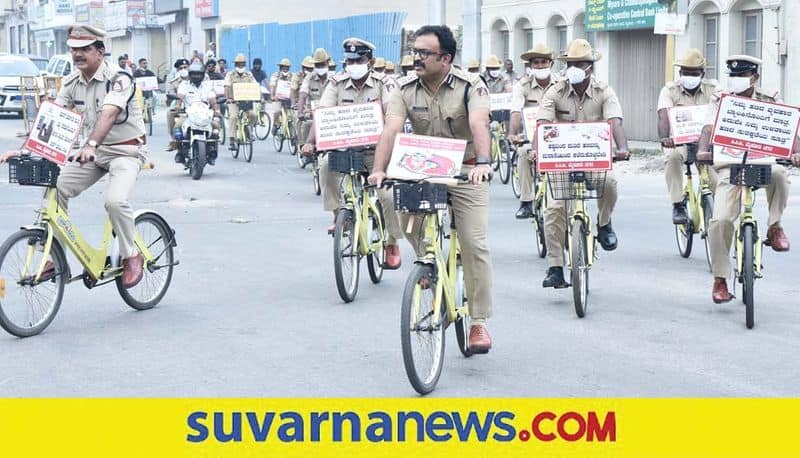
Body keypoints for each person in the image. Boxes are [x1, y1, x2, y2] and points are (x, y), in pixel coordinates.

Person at [368, 25, 495, 352]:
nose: (416, 58)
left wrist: (482, 162)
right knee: (390, 196)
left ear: (445, 58)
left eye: (424, 53)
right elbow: (392, 128)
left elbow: (480, 123)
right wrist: (379, 170)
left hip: (467, 170)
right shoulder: (405, 88)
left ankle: (478, 322)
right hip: (423, 167)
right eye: (415, 52)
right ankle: (427, 259)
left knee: (474, 243)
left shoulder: (471, 85)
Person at [1, 24, 147, 287]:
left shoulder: (119, 78)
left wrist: (90, 143)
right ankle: (55, 258)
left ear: (100, 52)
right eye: (73, 50)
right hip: (92, 154)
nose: (77, 55)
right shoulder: (70, 82)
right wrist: (25, 150)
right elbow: (53, 121)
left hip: (126, 150)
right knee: (56, 190)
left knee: (114, 201)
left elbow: (109, 113)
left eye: (85, 49)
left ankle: (131, 255)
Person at [697, 55, 800, 303]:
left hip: (763, 163)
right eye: (732, 76)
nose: (736, 81)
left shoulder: (769, 98)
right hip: (729, 167)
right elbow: (708, 128)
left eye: (741, 76)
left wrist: (796, 151)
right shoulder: (720, 99)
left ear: (754, 77)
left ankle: (775, 227)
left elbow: (789, 129)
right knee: (720, 220)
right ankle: (720, 279)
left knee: (780, 175)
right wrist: (703, 149)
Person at [302, 37, 405, 271]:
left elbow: (392, 114)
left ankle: (391, 242)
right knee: (325, 165)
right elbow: (324, 113)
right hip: (344, 149)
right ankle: (339, 215)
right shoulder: (336, 83)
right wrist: (310, 141)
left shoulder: (384, 83)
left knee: (387, 196)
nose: (354, 64)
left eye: (359, 59)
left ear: (369, 61)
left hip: (375, 152)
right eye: (350, 60)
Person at [537, 39, 630, 288]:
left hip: (593, 158)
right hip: (562, 160)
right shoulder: (554, 92)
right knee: (553, 209)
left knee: (609, 182)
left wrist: (622, 148)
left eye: (580, 64)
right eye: (571, 64)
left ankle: (604, 223)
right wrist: (538, 151)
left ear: (591, 67)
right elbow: (542, 124)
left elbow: (615, 122)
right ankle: (555, 266)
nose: (575, 68)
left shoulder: (604, 91)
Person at [658, 49, 720, 224]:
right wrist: (665, 138)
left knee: (717, 179)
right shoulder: (670, 90)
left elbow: (724, 110)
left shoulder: (714, 89)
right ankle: (678, 204)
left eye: (694, 73)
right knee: (672, 157)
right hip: (681, 143)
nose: (689, 76)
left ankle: (720, 208)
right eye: (686, 72)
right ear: (680, 73)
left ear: (702, 74)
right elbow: (663, 114)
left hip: (707, 144)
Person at [508, 44, 560, 219]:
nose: (540, 66)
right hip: (531, 137)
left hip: (559, 136)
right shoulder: (522, 85)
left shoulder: (561, 84)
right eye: (536, 63)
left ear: (551, 63)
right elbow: (516, 110)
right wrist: (513, 133)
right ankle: (526, 202)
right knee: (523, 153)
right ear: (530, 66)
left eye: (544, 62)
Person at [175, 62, 221, 165]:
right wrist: (178, 105)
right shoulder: (184, 85)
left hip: (205, 116)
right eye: (194, 74)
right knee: (177, 127)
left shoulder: (207, 86)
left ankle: (213, 152)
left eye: (199, 74)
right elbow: (180, 97)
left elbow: (212, 99)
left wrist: (217, 110)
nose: (196, 76)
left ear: (203, 75)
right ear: (190, 75)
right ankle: (179, 152)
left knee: (216, 127)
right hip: (188, 115)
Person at [297, 48, 329, 155]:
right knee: (306, 124)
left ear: (327, 63)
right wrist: (300, 112)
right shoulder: (309, 78)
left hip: (329, 113)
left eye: (322, 65)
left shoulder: (334, 79)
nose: (320, 68)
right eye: (318, 65)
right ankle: (304, 147)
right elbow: (303, 94)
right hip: (311, 112)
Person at [224, 53, 258, 149]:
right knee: (233, 117)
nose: (240, 66)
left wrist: (259, 97)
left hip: (246, 101)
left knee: (253, 115)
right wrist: (228, 98)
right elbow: (226, 87)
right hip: (233, 101)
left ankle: (249, 131)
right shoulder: (230, 74)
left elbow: (255, 86)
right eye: (238, 64)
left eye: (242, 64)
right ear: (235, 65)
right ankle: (232, 139)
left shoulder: (249, 74)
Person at [166, 58, 190, 151]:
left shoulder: (196, 78)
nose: (184, 69)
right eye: (181, 68)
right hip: (180, 108)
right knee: (169, 112)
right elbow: (170, 96)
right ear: (177, 70)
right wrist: (172, 100)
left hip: (195, 107)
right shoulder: (174, 82)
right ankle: (173, 139)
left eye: (185, 67)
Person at [269, 58, 293, 134]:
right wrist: (272, 95)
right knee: (277, 111)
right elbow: (272, 85)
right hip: (278, 98)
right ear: (280, 68)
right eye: (283, 67)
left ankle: (293, 135)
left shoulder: (293, 76)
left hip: (288, 99)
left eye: (287, 68)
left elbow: (295, 87)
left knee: (292, 115)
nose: (285, 69)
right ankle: (276, 124)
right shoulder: (275, 75)